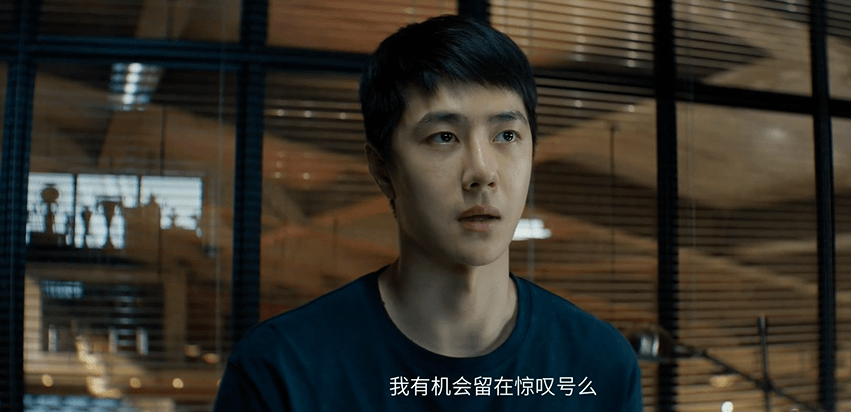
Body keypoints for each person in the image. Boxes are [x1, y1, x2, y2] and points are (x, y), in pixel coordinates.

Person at [213, 15, 642, 411]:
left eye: (507, 135)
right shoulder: (281, 370)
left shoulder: (598, 365)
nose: (482, 172)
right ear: (383, 169)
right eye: (443, 137)